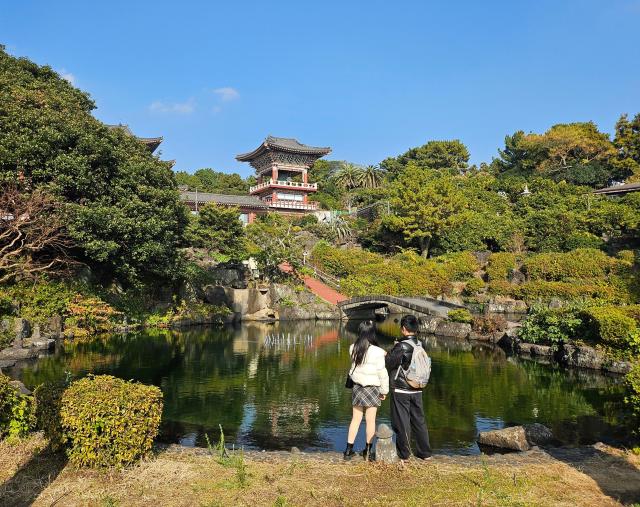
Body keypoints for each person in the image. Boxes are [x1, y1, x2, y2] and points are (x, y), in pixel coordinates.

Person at [385, 314, 432, 460]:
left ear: (404, 329)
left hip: (401, 388)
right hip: (418, 387)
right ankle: (425, 452)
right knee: (419, 420)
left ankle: (404, 453)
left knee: (402, 421)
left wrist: (392, 350)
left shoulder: (401, 346)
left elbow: (389, 364)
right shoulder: (421, 344)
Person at [344, 320, 389, 461]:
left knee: (355, 419)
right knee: (371, 421)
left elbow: (353, 368)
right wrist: (384, 391)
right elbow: (382, 373)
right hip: (372, 388)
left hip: (358, 387)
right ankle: (368, 451)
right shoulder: (378, 352)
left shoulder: (353, 348)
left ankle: (348, 450)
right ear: (372, 333)